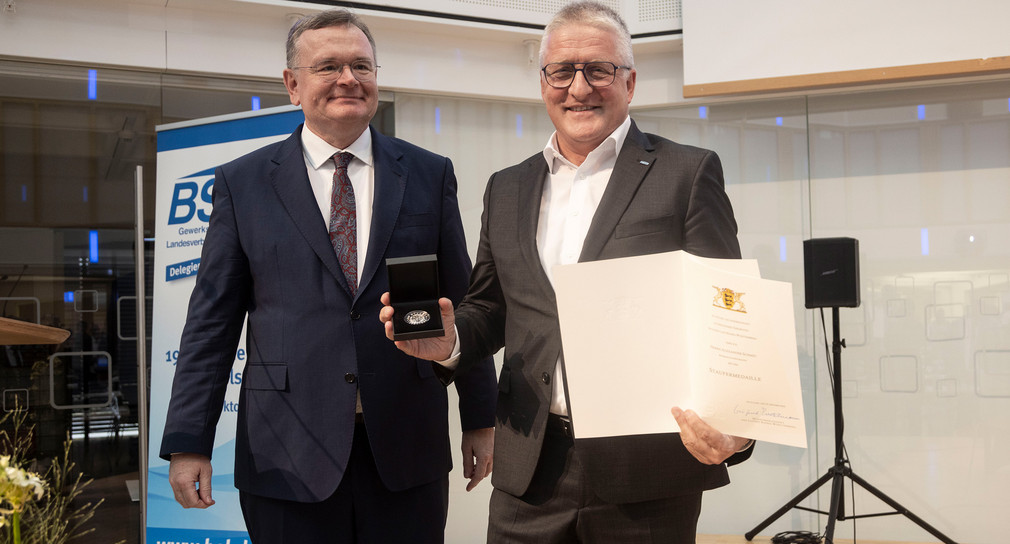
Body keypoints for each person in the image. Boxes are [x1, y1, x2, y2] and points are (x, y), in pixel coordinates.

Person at [380, 2, 753, 542]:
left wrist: (736, 424)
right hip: (528, 469)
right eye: (562, 70)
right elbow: (491, 306)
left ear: (629, 82)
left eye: (598, 70)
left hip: (645, 472)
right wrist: (450, 341)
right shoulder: (506, 187)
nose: (579, 87)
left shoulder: (687, 173)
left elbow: (727, 310)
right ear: (542, 82)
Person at [159, 9, 497, 544]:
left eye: (361, 65)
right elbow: (211, 323)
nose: (348, 78)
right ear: (293, 85)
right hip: (285, 451)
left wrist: (482, 416)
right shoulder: (243, 183)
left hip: (406, 445)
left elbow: (462, 302)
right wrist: (188, 442)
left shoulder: (430, 174)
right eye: (329, 66)